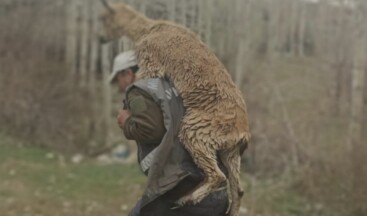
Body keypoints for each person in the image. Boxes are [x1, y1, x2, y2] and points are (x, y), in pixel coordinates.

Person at [110, 51, 229, 216]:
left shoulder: (137, 91)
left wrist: (127, 123)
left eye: (118, 78)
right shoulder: (171, 85)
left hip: (186, 190)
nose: (119, 85)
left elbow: (151, 129)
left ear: (128, 73)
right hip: (213, 188)